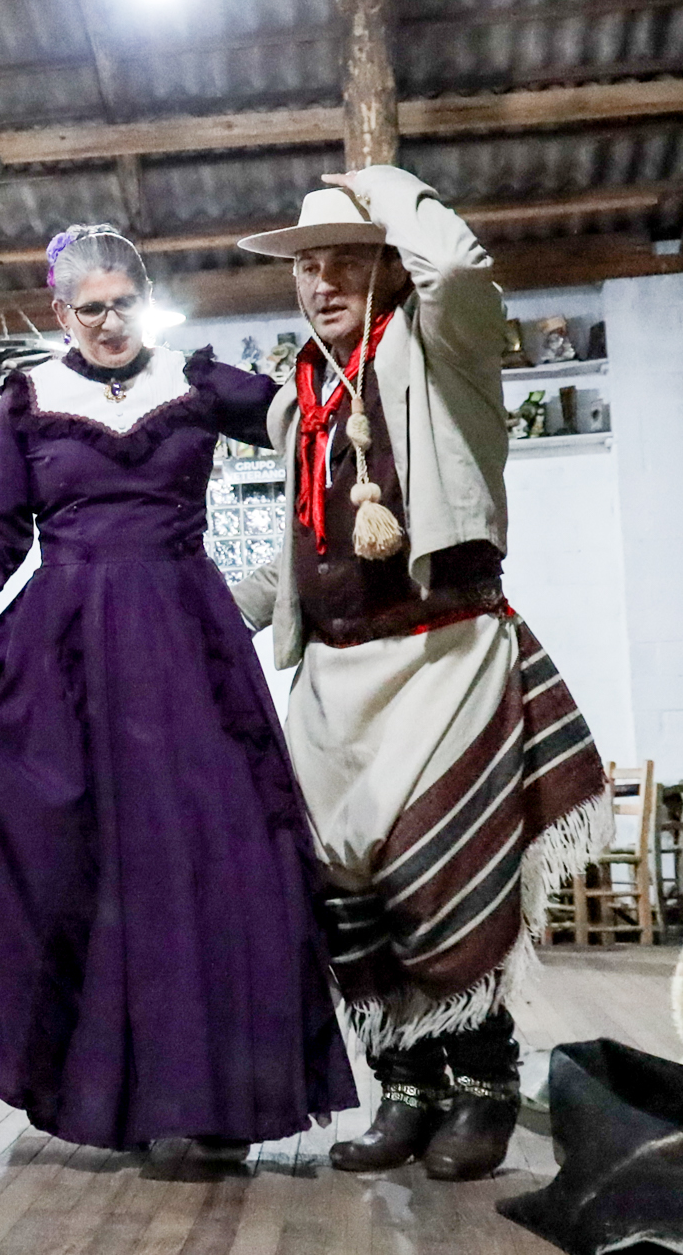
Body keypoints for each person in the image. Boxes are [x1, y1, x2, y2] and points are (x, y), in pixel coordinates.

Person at [0, 223, 357, 1179]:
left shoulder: (200, 381)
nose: (112, 321)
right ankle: (133, 1099)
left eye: (126, 302)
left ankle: (220, 1104)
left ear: (144, 296)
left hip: (189, 643)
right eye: (92, 309)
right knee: (99, 871)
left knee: (222, 858)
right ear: (61, 313)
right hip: (72, 654)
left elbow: (317, 421)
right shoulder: (29, 401)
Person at [231, 172, 610, 1182]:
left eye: (345, 261)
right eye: (307, 267)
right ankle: (409, 1088)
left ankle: (485, 1088)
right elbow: (296, 553)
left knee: (441, 876)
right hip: (334, 681)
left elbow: (462, 266)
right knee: (347, 895)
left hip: (444, 654)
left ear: (390, 266)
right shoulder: (299, 403)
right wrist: (193, 617)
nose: (321, 284)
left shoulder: (443, 350)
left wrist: (375, 183)